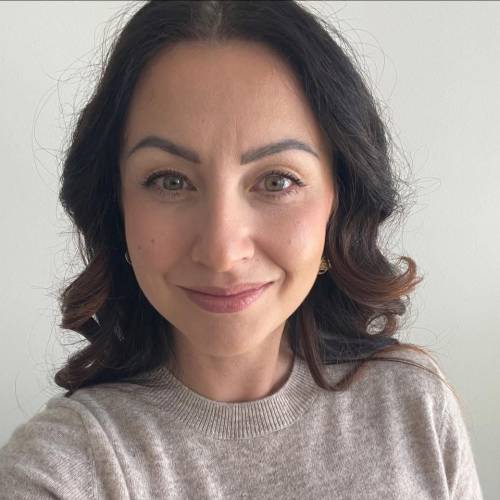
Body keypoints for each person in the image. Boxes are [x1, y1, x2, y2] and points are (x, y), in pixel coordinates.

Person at [0, 1, 483, 499]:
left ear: (338, 201)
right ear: (116, 204)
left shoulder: (414, 406)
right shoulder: (57, 471)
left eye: (276, 181)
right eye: (170, 181)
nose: (222, 251)